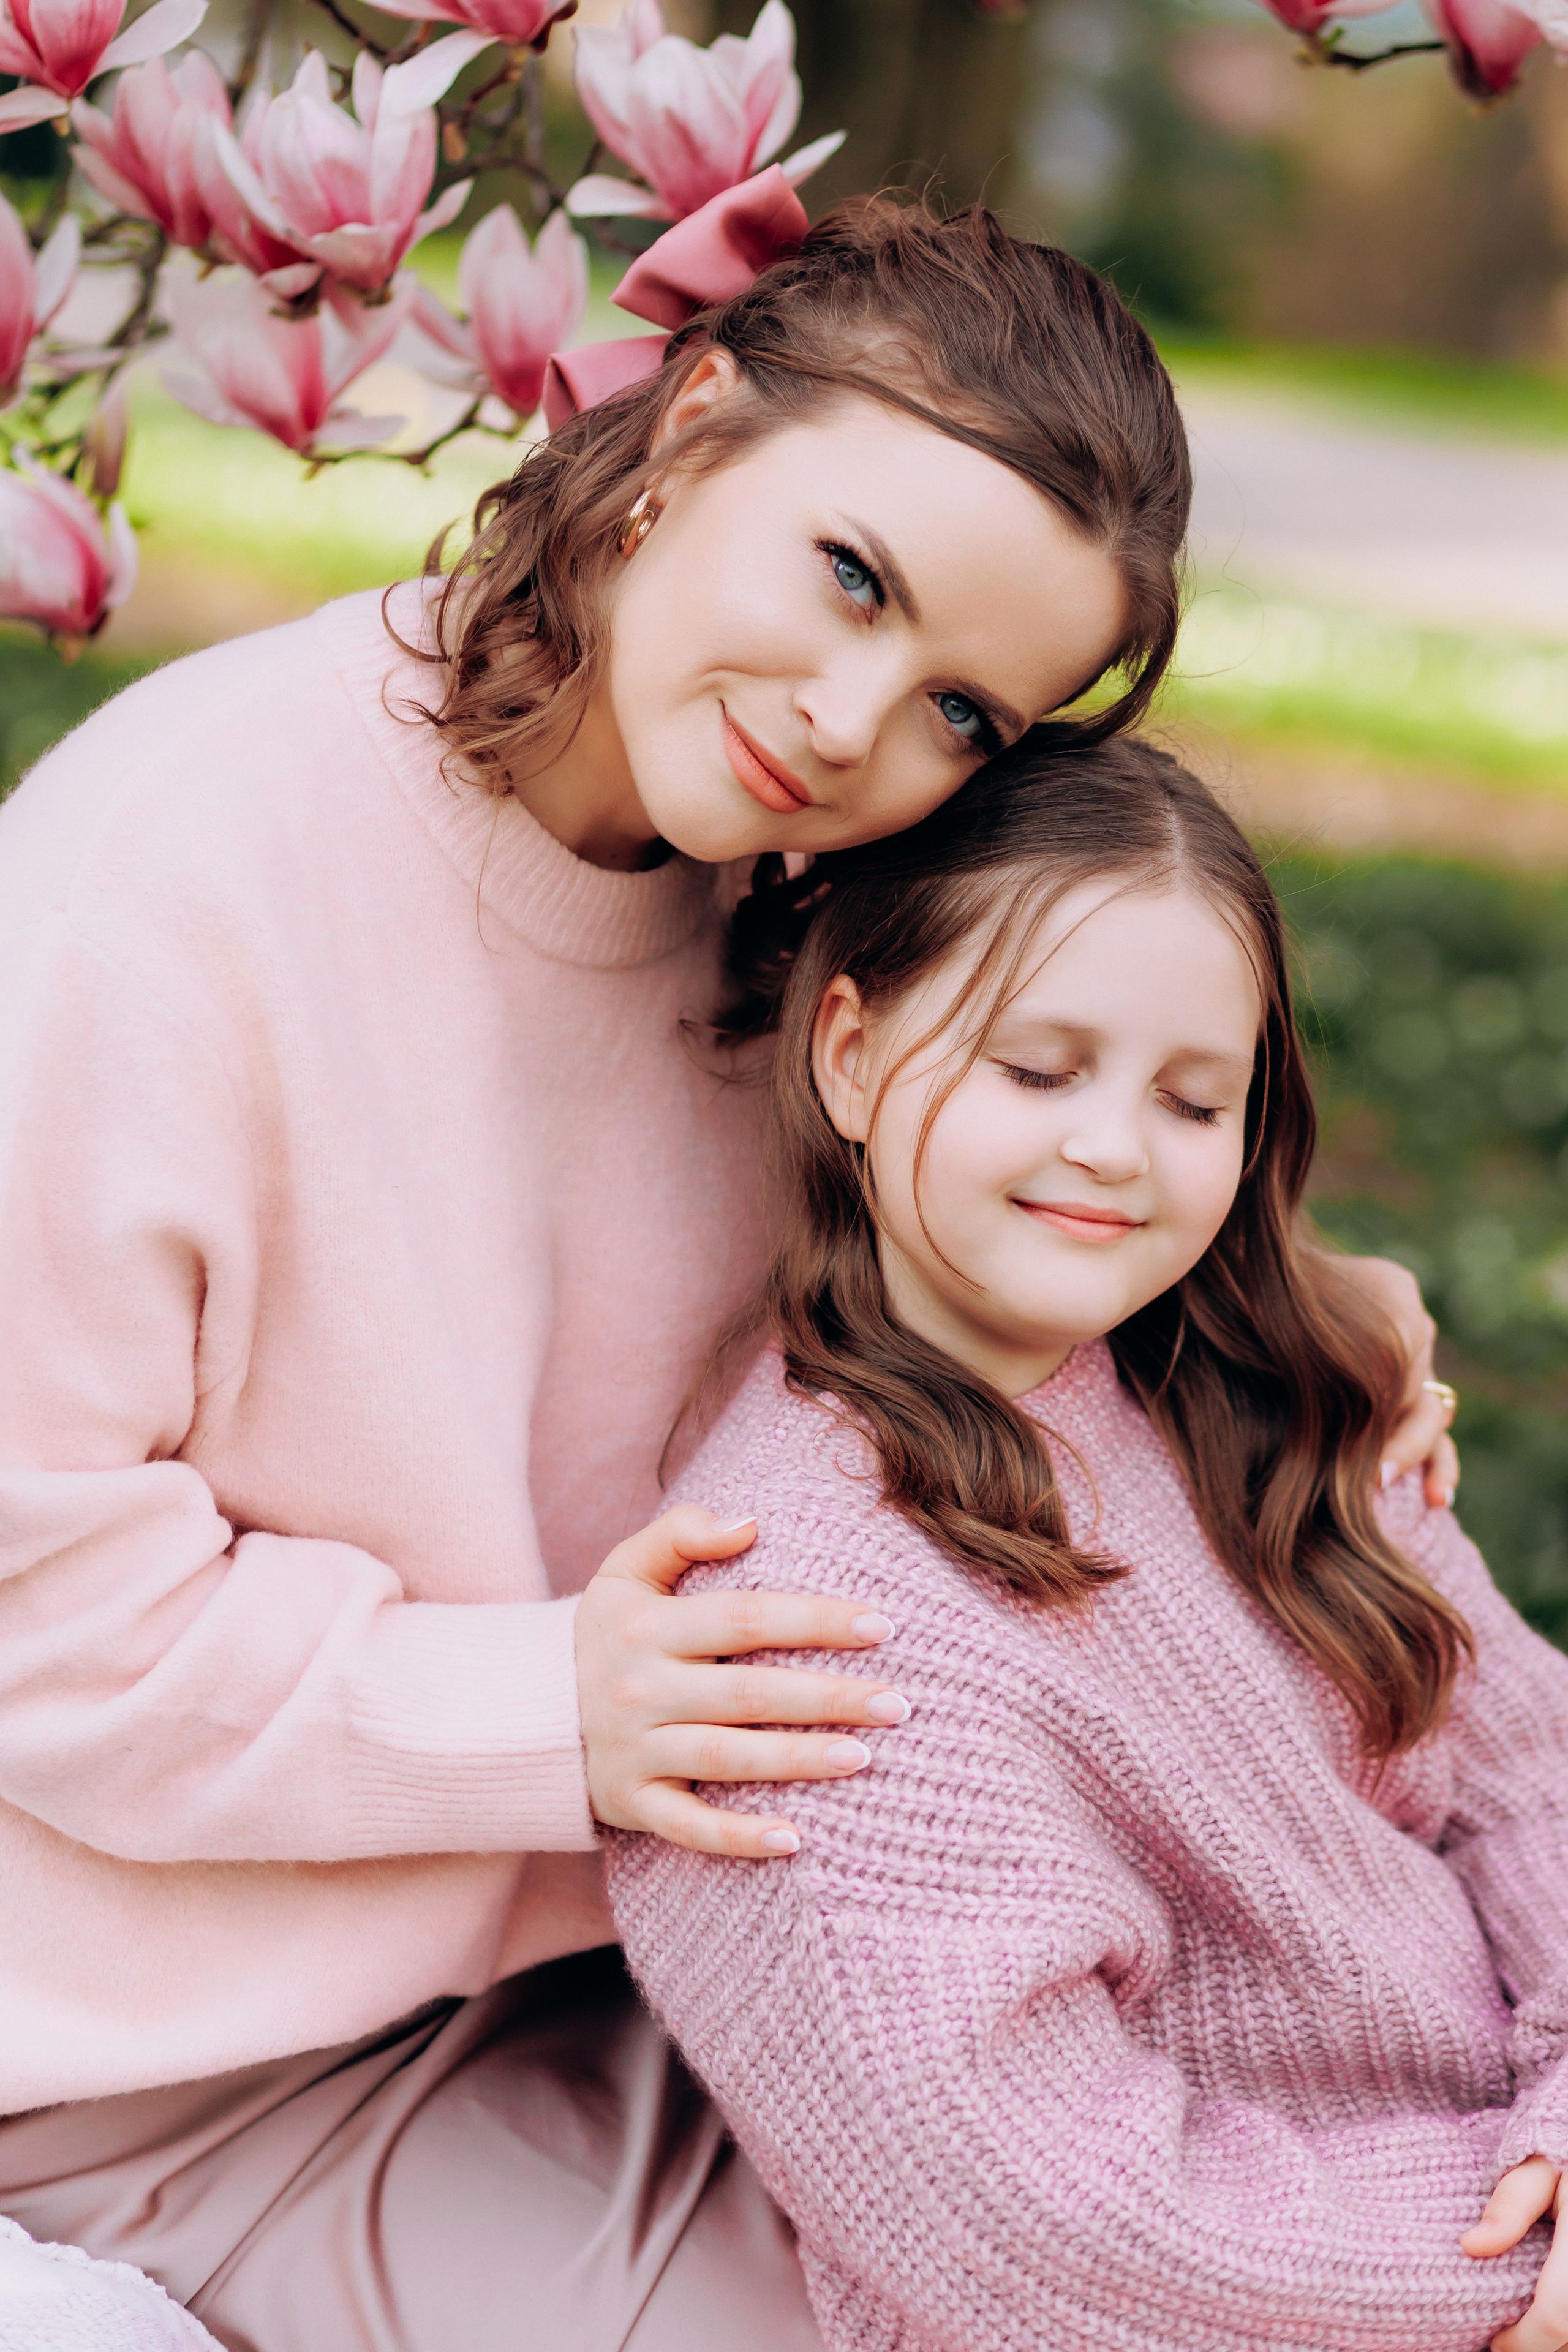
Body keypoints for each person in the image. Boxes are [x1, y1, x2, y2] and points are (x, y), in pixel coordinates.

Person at [0, 186, 1450, 2350]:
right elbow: (29, 1599)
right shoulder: (160, 882)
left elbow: (994, 1127)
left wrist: (1286, 1305)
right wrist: (532, 1710)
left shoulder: (791, 915)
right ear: (689, 437)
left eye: (962, 710)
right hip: (185, 2057)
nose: (854, 717)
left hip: (684, 1965)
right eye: (848, 575)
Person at [608, 733, 1567, 2352]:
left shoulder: (1259, 1396)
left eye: (1193, 1097)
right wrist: (1506, 2252)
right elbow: (1050, 2227)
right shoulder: (804, 1622)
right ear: (851, 1052)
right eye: (1037, 1069)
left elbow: (1529, 1769)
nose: (1118, 1147)